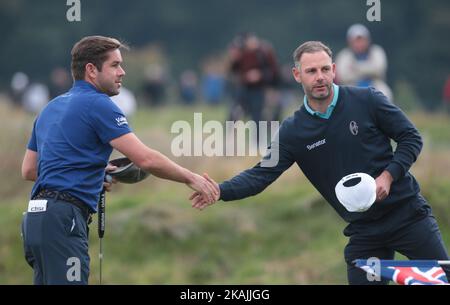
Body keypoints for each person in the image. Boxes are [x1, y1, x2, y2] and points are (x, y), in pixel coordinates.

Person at [190, 41, 450, 285]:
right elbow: (261, 174)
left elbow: (410, 137)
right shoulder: (293, 131)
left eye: (325, 69)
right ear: (296, 75)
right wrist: (220, 190)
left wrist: (389, 176)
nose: (320, 77)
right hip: (364, 231)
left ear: (334, 70)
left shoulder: (367, 100)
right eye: (311, 71)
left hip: (408, 216)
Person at [21, 36, 218, 285]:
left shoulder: (50, 108)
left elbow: (28, 170)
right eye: (115, 65)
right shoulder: (99, 104)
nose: (122, 72)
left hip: (35, 220)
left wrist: (86, 172)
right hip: (64, 220)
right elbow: (145, 159)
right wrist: (192, 178)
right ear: (91, 70)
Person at [335, 24, 393, 102]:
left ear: (368, 40)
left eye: (362, 40)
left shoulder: (377, 51)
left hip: (375, 85)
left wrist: (355, 68)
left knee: (385, 93)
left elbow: (379, 70)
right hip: (351, 87)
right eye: (356, 41)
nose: (359, 44)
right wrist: (369, 69)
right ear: (350, 42)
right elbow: (343, 76)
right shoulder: (344, 55)